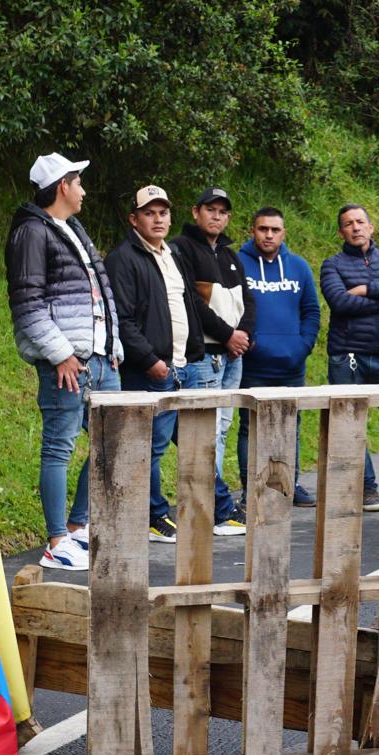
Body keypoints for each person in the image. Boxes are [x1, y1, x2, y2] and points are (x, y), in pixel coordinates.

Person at [104, 185, 245, 541]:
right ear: (134, 219)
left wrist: (193, 352)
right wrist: (152, 360)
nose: (158, 219)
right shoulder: (123, 258)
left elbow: (188, 306)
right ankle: (152, 515)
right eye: (149, 213)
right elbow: (122, 318)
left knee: (198, 441)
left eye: (163, 212)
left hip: (185, 366)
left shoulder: (172, 254)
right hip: (154, 370)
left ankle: (220, 508)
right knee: (151, 445)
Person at [6, 153, 122, 572]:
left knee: (112, 443)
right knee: (59, 445)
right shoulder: (32, 233)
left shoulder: (71, 227)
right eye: (78, 181)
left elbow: (98, 294)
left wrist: (112, 347)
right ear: (62, 187)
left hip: (101, 358)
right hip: (68, 362)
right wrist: (61, 354)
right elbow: (27, 302)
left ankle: (78, 526)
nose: (84, 190)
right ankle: (57, 539)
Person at [172, 188, 255, 516]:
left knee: (221, 428)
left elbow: (247, 298)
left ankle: (213, 503)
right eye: (211, 209)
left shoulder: (230, 254)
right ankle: (205, 507)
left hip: (234, 355)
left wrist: (244, 334)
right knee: (202, 431)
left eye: (223, 211)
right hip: (204, 354)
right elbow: (191, 302)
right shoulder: (181, 248)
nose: (217, 216)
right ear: (196, 212)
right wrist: (227, 334)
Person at [319, 203, 379, 510]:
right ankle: (367, 489)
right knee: (349, 426)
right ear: (341, 231)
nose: (355, 227)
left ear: (371, 227)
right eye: (348, 224)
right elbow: (340, 303)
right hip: (346, 355)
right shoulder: (332, 265)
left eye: (360, 222)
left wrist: (365, 288)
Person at [237, 207, 320, 505]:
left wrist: (302, 347)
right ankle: (251, 489)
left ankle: (289, 484)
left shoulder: (298, 267)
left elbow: (311, 311)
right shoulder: (238, 264)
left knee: (290, 426)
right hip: (253, 364)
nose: (268, 235)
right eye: (263, 229)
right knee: (252, 428)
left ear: (284, 233)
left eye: (275, 230)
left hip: (291, 365)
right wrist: (252, 344)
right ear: (253, 231)